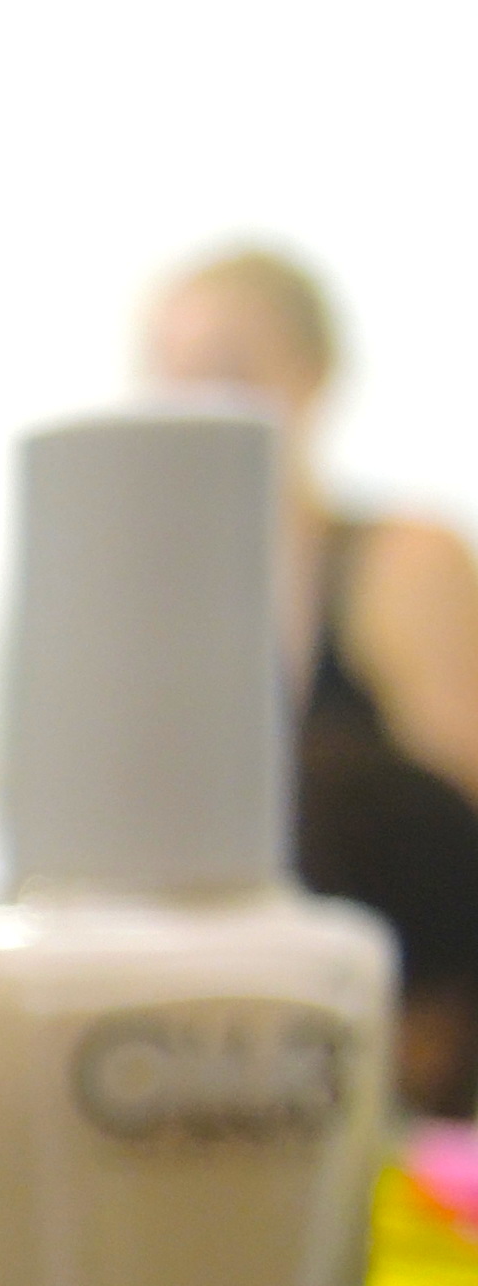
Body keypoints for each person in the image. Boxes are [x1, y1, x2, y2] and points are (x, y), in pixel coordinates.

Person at [144, 246, 478, 1113]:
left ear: (314, 374)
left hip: (407, 1048)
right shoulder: (160, 607)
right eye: (171, 373)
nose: (197, 403)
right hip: (218, 1052)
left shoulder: (401, 563)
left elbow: (459, 830)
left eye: (228, 367)